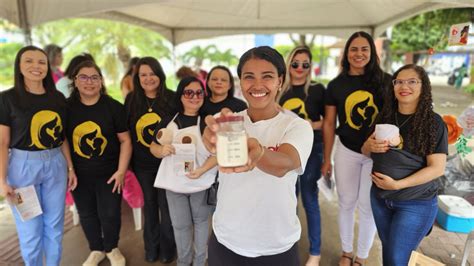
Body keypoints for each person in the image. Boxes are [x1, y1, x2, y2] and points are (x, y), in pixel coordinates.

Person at [203, 46, 313, 266]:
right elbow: (210, 145)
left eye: (268, 77)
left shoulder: (297, 126)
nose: (257, 85)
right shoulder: (228, 122)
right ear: (240, 82)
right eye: (249, 77)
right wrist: (208, 137)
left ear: (280, 81)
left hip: (276, 245)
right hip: (226, 240)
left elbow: (286, 163)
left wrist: (258, 151)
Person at [362, 64, 448, 265]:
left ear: (423, 87)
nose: (404, 86)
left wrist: (397, 185)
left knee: (397, 259)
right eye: (399, 81)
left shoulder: (433, 123)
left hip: (415, 202)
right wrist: (368, 145)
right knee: (390, 253)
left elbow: (437, 168)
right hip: (381, 198)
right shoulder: (385, 116)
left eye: (412, 81)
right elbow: (365, 152)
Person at [0, 45, 77, 266]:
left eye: (41, 62)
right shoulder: (7, 99)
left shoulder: (58, 98)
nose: (36, 66)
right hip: (23, 168)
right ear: (19, 66)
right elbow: (3, 142)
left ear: (48, 66)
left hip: (56, 166)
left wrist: (70, 168)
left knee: (54, 227)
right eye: (29, 61)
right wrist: (2, 180)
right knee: (30, 229)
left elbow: (62, 137)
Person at [321, 31, 391, 266]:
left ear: (372, 53)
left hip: (377, 154)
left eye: (364, 49)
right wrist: (326, 158)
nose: (359, 54)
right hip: (347, 151)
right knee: (346, 201)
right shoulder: (336, 85)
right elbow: (330, 124)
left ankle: (361, 256)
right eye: (354, 49)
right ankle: (347, 252)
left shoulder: (386, 81)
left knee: (367, 205)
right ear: (346, 53)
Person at [65, 60, 132, 266]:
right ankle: (96, 249)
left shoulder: (113, 107)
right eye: (83, 77)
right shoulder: (66, 108)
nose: (89, 82)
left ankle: (112, 248)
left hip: (109, 173)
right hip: (79, 174)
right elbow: (63, 140)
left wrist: (121, 171)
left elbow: (126, 140)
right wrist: (70, 168)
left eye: (94, 77)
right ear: (75, 81)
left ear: (101, 81)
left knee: (110, 213)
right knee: (86, 213)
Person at [151, 76, 217, 266]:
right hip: (175, 185)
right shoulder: (168, 120)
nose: (194, 97)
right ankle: (183, 262)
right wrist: (161, 151)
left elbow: (219, 153)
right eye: (189, 92)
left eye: (199, 93)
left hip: (200, 183)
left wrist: (202, 170)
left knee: (202, 223)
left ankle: (198, 262)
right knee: (180, 226)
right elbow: (153, 146)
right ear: (180, 95)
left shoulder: (207, 121)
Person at [124, 56, 176, 263]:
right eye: (143, 75)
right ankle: (151, 248)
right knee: (150, 205)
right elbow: (126, 131)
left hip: (167, 163)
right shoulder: (131, 99)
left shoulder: (171, 99)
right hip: (142, 165)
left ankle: (167, 249)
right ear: (137, 78)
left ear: (160, 75)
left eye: (152, 73)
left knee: (166, 206)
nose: (148, 78)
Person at [278, 46, 325, 266]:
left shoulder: (317, 89)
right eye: (295, 63)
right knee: (288, 201)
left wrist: (310, 125)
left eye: (305, 64)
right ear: (289, 64)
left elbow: (328, 122)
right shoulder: (280, 90)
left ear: (310, 66)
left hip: (312, 151)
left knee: (309, 200)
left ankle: (315, 253)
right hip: (286, 151)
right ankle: (289, 248)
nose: (299, 68)